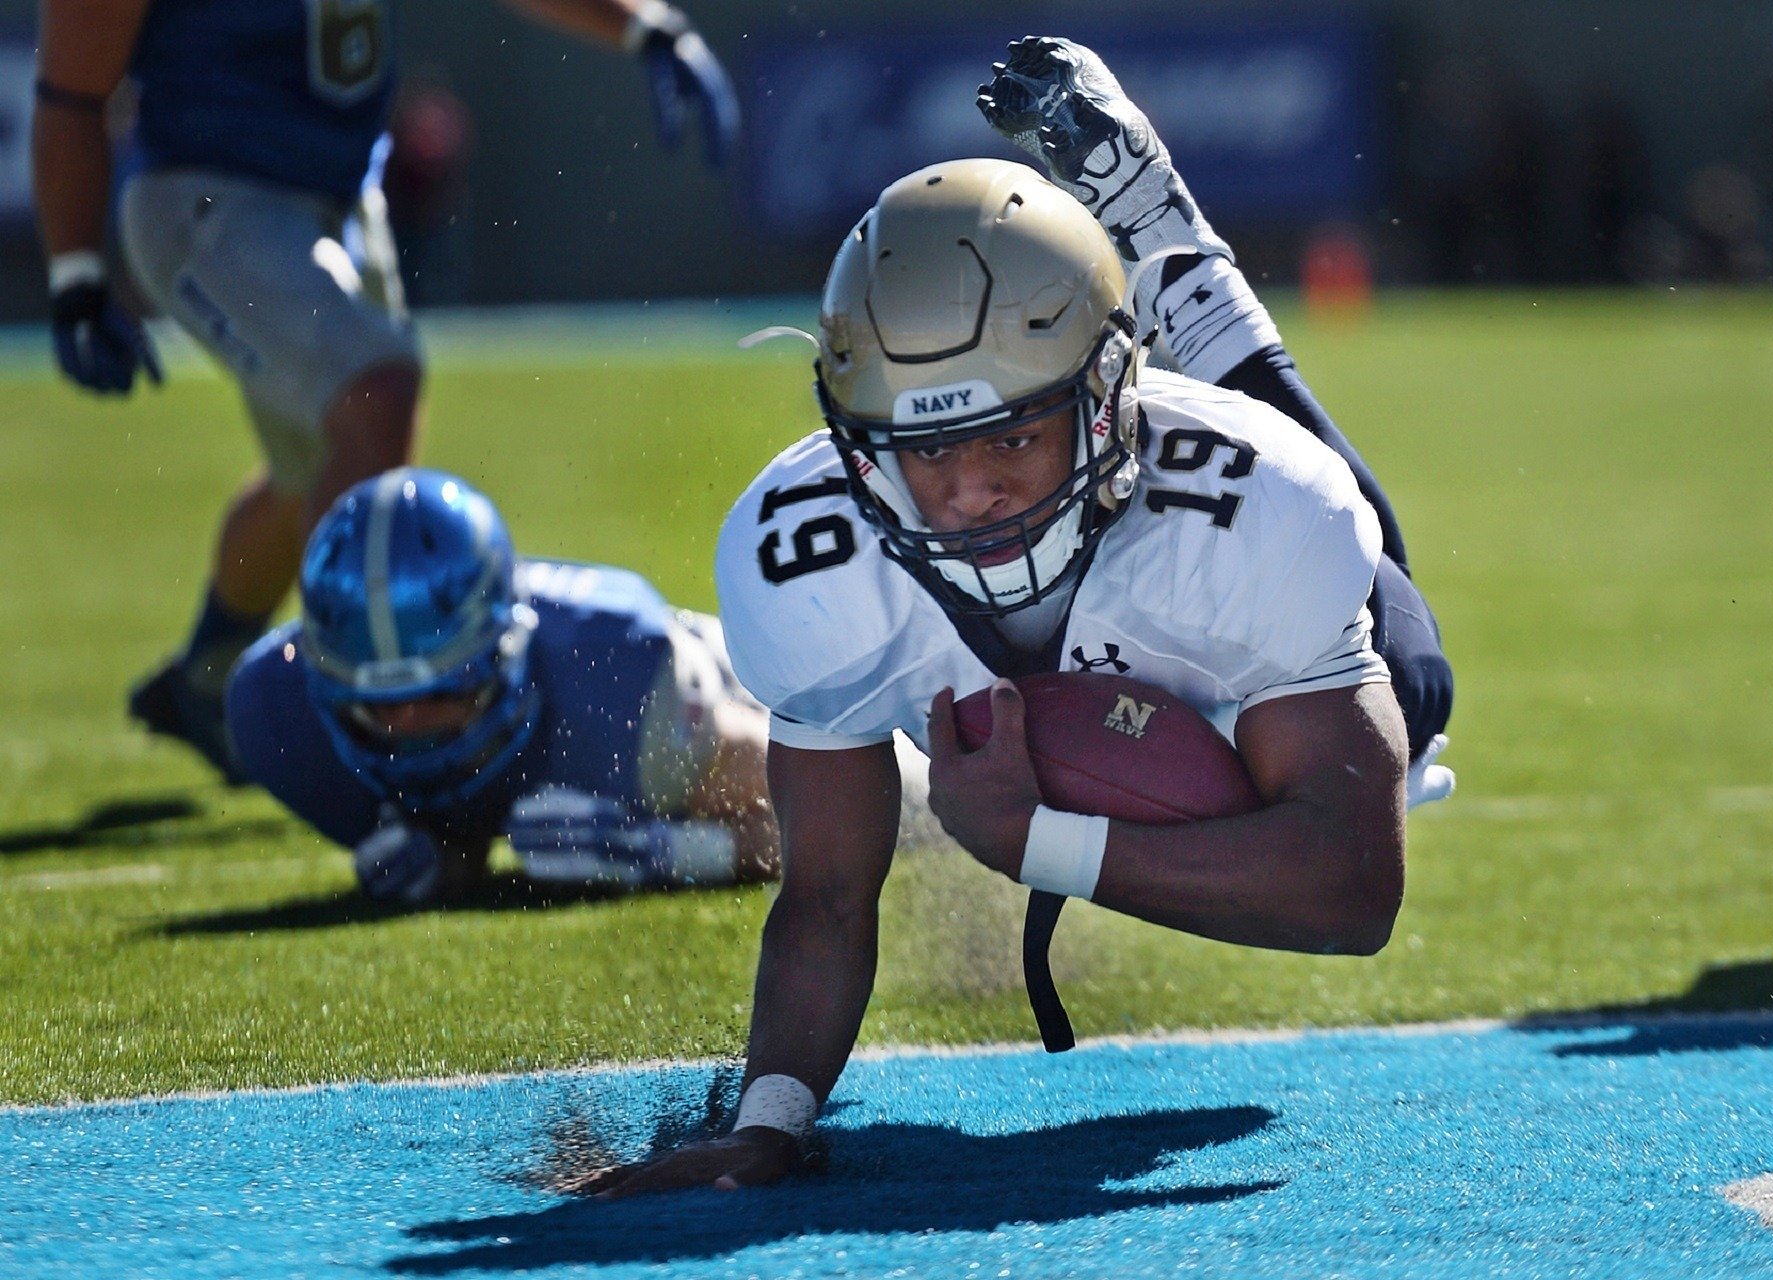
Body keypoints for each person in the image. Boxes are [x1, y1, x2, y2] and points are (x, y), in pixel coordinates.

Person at [567, 36, 1457, 1194]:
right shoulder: (807, 559)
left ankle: (1173, 254)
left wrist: (1040, 841)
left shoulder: (1258, 513)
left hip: (1213, 520)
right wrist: (769, 1121)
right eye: (925, 447)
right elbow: (826, 890)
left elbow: (1352, 888)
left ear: (1102, 401)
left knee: (1409, 658)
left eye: (1012, 436)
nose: (969, 488)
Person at [32, 0, 741, 785]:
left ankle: (207, 675)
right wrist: (75, 274)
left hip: (338, 201)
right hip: (208, 195)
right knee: (375, 396)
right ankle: (349, 744)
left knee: (315, 470)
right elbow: (71, 88)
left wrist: (643, 23)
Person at [226, 468, 782, 903]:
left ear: (505, 652)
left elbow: (805, 818)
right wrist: (450, 855)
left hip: (744, 676)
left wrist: (665, 851)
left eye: (443, 693)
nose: (411, 729)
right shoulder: (274, 705)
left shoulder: (622, 678)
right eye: (379, 709)